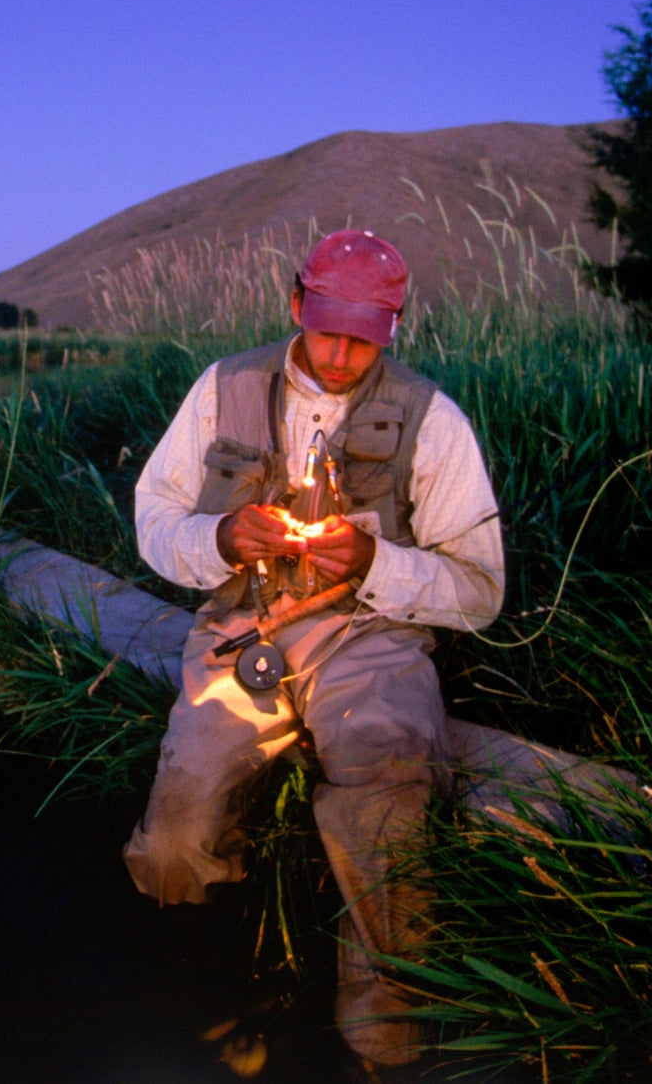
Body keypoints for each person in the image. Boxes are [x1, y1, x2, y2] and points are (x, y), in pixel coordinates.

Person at [124, 228, 504, 1068]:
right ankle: (217, 998)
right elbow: (153, 520)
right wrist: (222, 535)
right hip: (241, 630)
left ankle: (386, 1044)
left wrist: (377, 562)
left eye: (364, 339)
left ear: (393, 330)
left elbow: (480, 589)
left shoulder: (434, 419)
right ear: (296, 305)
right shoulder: (222, 388)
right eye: (327, 329)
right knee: (175, 834)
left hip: (371, 636)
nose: (340, 356)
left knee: (389, 792)